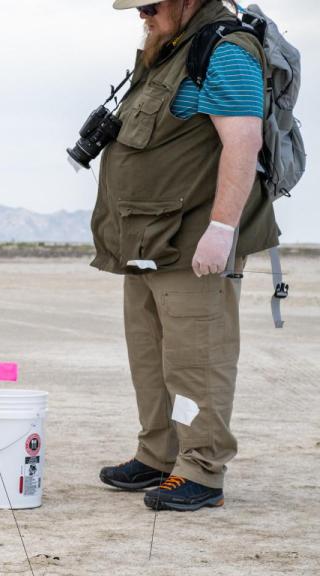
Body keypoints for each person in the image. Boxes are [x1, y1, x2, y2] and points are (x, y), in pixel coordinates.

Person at [94, 0, 276, 512]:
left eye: (150, 6)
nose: (142, 16)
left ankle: (201, 469)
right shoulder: (169, 50)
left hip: (193, 242)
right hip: (147, 240)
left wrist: (221, 230)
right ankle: (157, 454)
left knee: (198, 361)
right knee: (150, 357)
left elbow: (243, 142)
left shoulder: (224, 49)